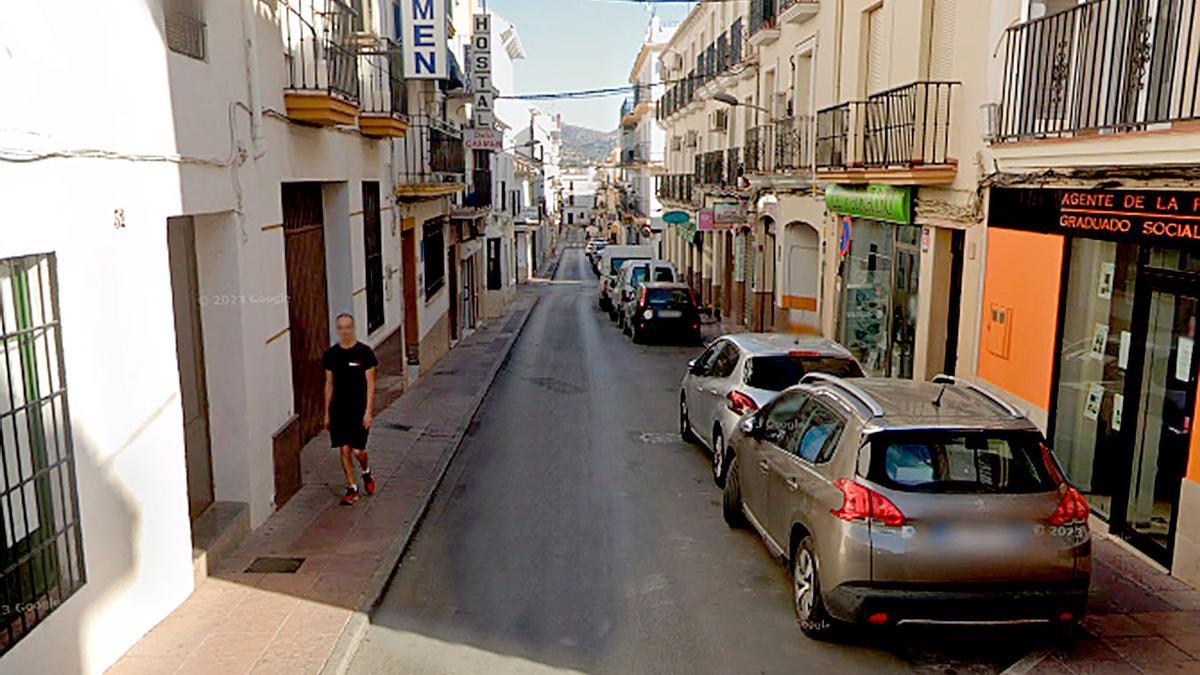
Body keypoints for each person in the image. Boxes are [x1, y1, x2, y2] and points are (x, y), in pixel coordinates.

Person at [323, 314, 378, 506]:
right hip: (339, 409)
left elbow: (371, 384)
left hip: (359, 409)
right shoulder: (331, 355)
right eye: (340, 327)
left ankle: (366, 472)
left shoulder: (364, 353)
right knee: (344, 449)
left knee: (358, 450)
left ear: (353, 328)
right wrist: (326, 413)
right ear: (337, 330)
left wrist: (368, 412)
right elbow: (328, 384)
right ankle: (352, 488)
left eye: (347, 327)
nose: (344, 331)